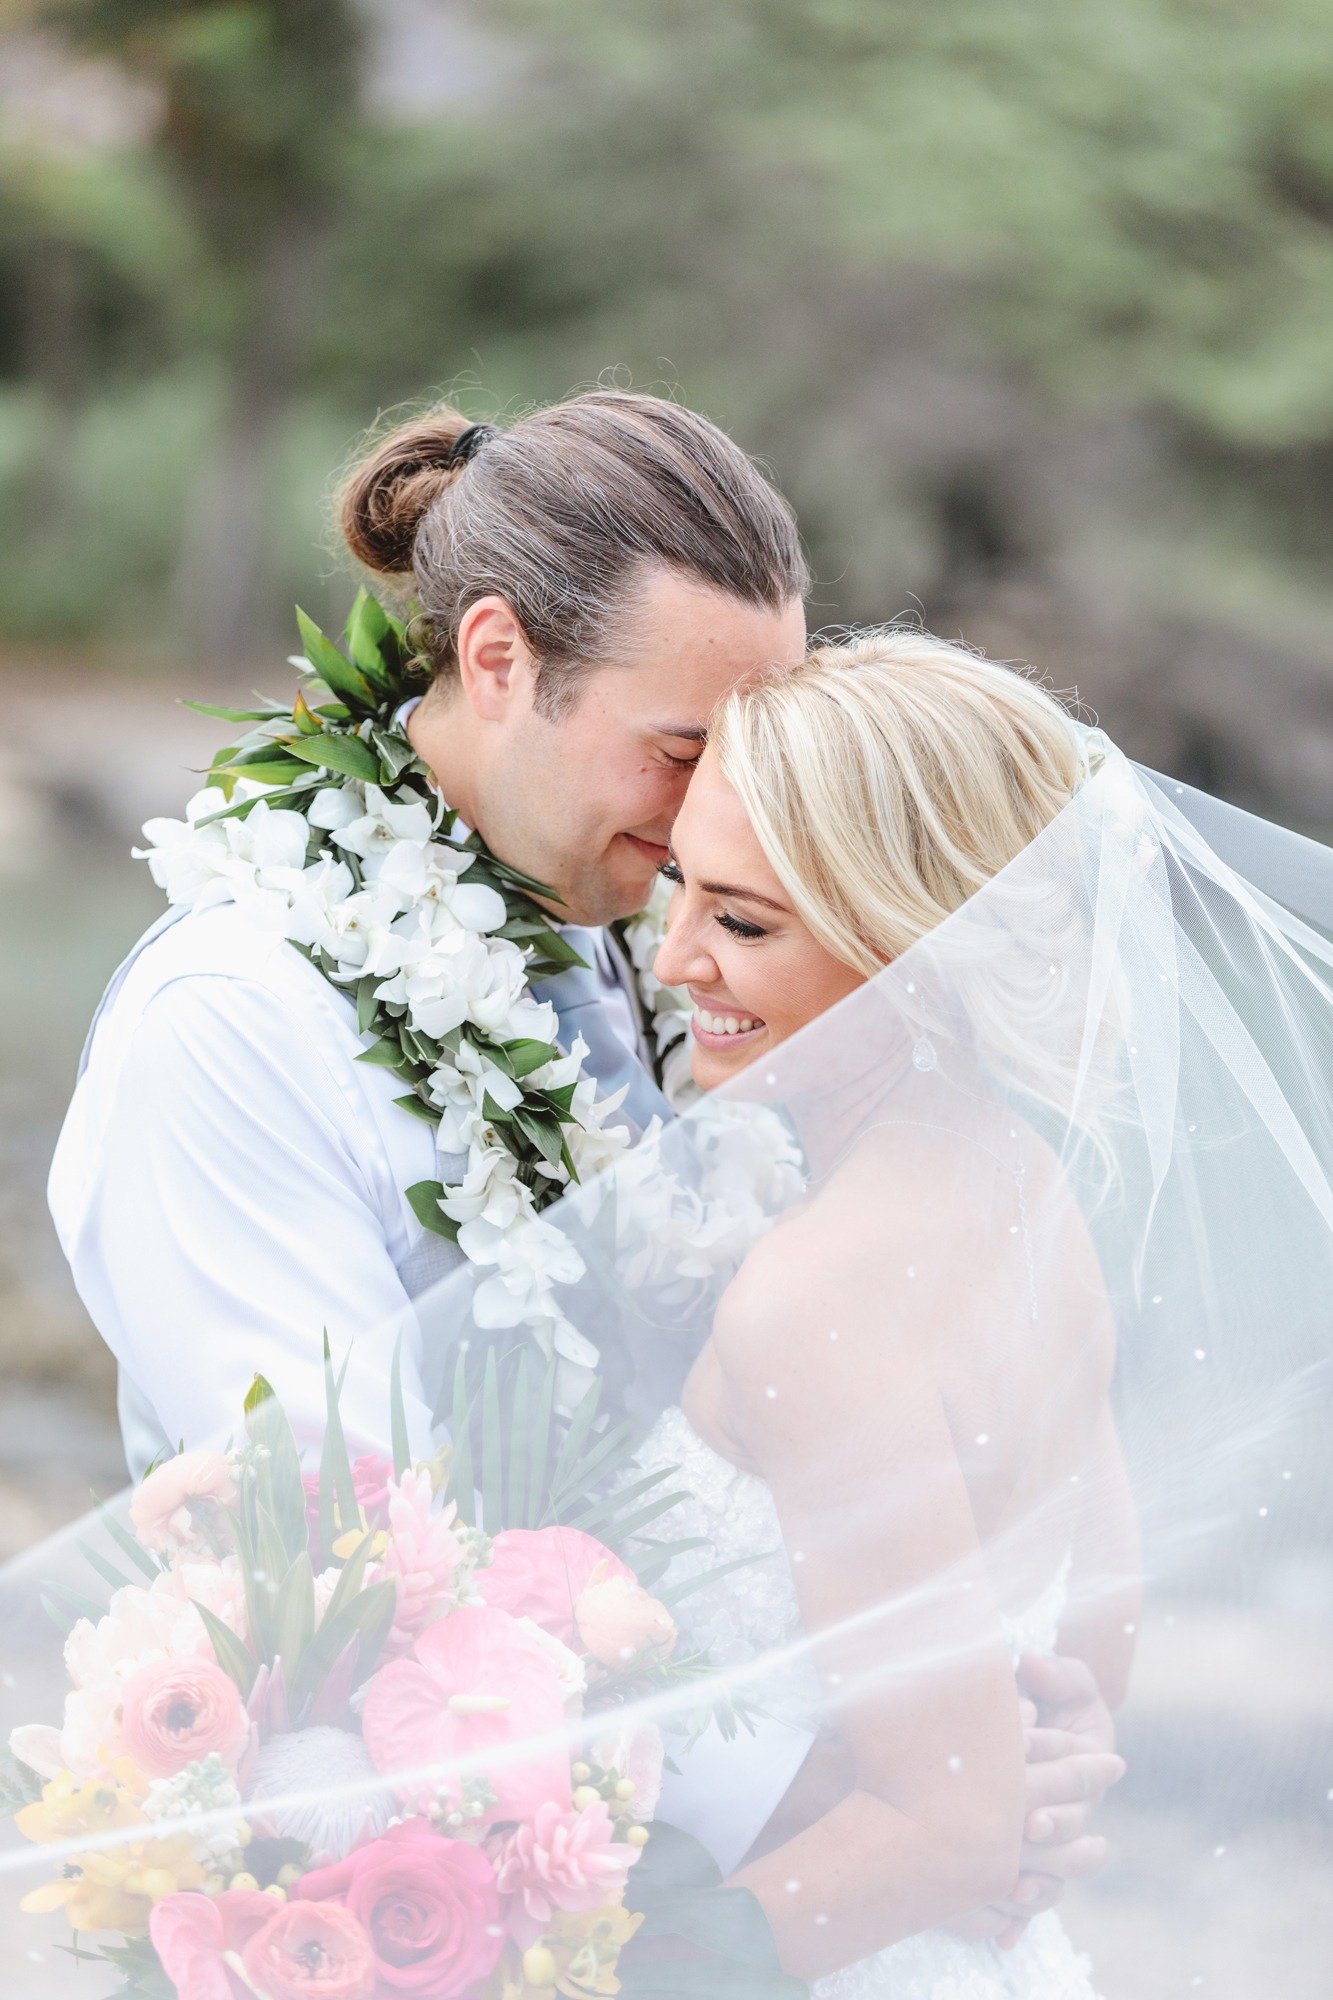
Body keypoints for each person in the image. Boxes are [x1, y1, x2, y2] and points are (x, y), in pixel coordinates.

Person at [47, 394, 1117, 1924]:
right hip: (453, 1885)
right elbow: (349, 1581)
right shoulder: (235, 1024)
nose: (724, 822)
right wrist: (874, 1804)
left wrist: (992, 1724)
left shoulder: (674, 944)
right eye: (683, 749)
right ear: (498, 660)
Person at [648, 632, 1148, 1991]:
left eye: (743, 923)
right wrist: (1043, 1764)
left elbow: (940, 1830)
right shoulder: (1021, 1181)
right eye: (676, 887)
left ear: (921, 947)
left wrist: (592, 1972)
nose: (674, 956)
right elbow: (1096, 1615)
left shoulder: (812, 1298)